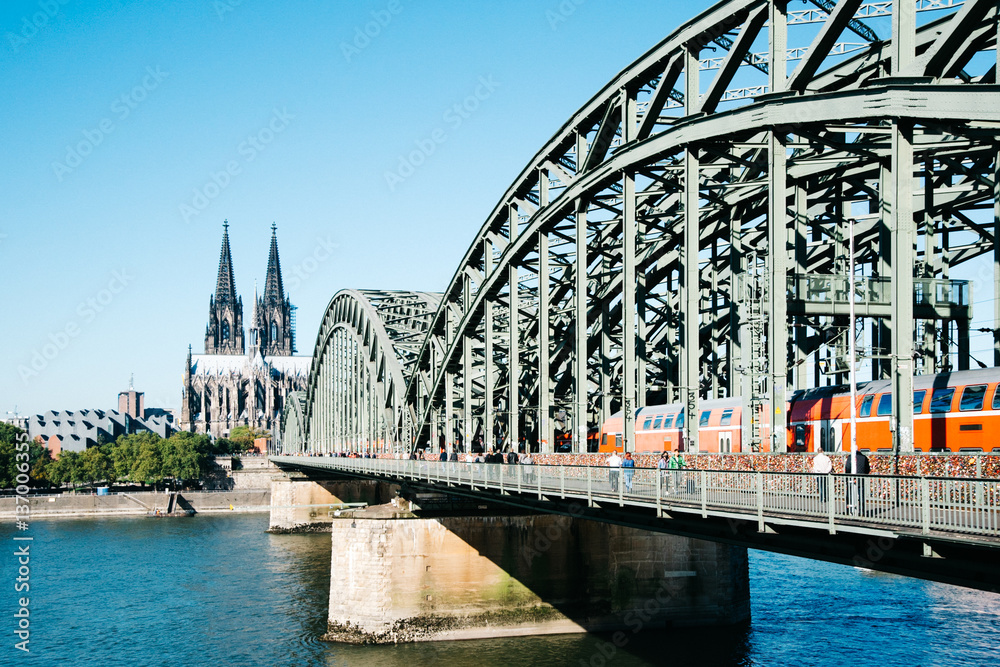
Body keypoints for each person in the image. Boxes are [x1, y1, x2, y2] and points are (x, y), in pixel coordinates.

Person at [844, 449, 870, 515]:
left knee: (849, 495)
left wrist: (847, 476)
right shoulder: (864, 457)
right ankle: (862, 511)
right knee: (861, 496)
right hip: (861, 479)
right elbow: (867, 469)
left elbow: (848, 467)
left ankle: (849, 510)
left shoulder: (850, 457)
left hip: (851, 479)